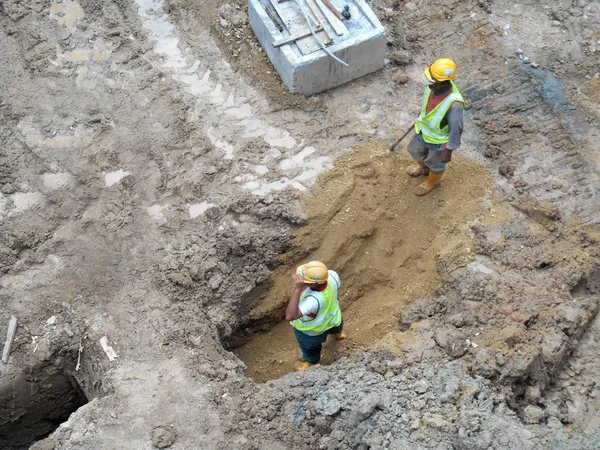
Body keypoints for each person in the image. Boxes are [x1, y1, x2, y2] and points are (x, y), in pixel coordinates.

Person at [405, 58, 465, 196]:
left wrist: (448, 150)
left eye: (432, 82)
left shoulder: (455, 105)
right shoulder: (432, 87)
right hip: (422, 131)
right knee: (415, 151)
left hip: (438, 143)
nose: (428, 84)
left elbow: (457, 130)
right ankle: (424, 168)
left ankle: (431, 183)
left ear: (444, 82)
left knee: (436, 165)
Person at [285, 261, 346, 371]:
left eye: (305, 279)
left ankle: (311, 362)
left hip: (313, 331)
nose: (302, 279)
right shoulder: (332, 275)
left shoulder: (312, 300)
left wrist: (297, 289)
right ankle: (338, 334)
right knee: (337, 327)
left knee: (310, 348)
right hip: (333, 318)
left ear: (314, 283)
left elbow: (290, 315)